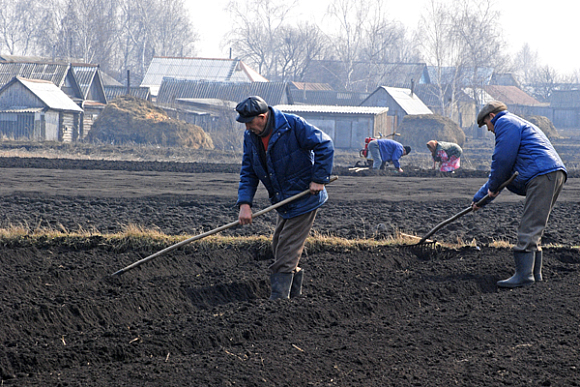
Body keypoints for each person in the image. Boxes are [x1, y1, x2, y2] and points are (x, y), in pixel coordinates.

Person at [235, 96, 334, 300]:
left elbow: (325, 144)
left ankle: (278, 302)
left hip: (305, 198)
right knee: (279, 245)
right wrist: (245, 203)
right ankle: (294, 299)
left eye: (249, 123)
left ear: (262, 117)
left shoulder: (293, 125)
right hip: (283, 200)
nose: (247, 128)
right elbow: (248, 170)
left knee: (287, 250)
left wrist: (319, 179)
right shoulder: (251, 137)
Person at [473, 101, 567, 288]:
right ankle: (535, 275)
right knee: (535, 226)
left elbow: (502, 160)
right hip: (551, 173)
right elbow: (505, 172)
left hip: (542, 174)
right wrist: (480, 199)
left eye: (487, 125)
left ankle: (524, 276)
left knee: (529, 226)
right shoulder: (516, 122)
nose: (489, 130)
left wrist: (491, 187)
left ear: (492, 116)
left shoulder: (505, 123)